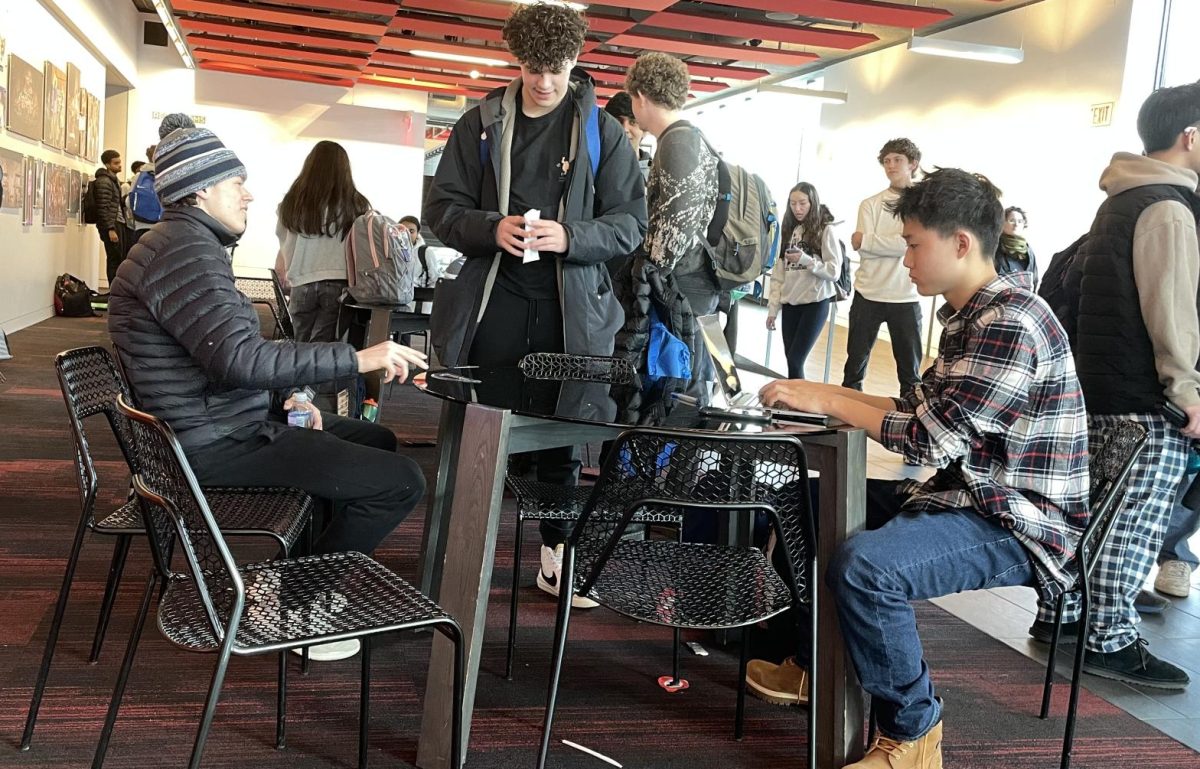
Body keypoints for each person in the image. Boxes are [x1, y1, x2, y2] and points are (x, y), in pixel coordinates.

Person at [750, 168, 1089, 769]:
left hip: (1021, 523)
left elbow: (930, 438)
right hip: (970, 497)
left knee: (867, 568)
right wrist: (813, 389)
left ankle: (914, 735)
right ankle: (815, 667)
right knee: (801, 503)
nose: (904, 258)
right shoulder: (973, 316)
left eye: (913, 244)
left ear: (960, 243)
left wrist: (828, 400)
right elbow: (914, 409)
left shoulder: (1010, 321)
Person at [108, 126, 429, 662]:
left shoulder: (183, 245)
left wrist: (288, 400)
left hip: (214, 422)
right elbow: (239, 360)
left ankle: (300, 575)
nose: (248, 193)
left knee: (378, 440)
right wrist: (356, 357)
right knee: (399, 483)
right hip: (211, 443)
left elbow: (226, 358)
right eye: (237, 182)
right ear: (200, 189)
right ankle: (301, 603)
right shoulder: (184, 252)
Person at [423, 2, 646, 608]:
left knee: (562, 439)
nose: (545, 82)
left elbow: (630, 224)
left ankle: (557, 559)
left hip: (572, 310)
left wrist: (574, 237)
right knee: (479, 432)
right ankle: (460, 560)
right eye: (533, 68)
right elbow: (440, 210)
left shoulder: (603, 131)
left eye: (559, 68)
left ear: (576, 61)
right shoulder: (482, 123)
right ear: (517, 60)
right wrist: (490, 227)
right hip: (493, 302)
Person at [1029, 82, 1200, 690]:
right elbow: (1171, 310)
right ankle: (1110, 640)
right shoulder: (1169, 207)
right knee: (1132, 523)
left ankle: (1064, 617)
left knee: (1097, 513)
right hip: (1143, 398)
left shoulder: (1121, 198)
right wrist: (1186, 390)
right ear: (1191, 136)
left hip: (1103, 388)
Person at [626, 51, 721, 404]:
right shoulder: (687, 137)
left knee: (684, 386)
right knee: (688, 378)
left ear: (641, 98)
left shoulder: (678, 142)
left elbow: (675, 222)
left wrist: (647, 269)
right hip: (693, 282)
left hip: (684, 284)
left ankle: (682, 456)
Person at [843, 138, 925, 395]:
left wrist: (868, 240)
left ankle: (912, 426)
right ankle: (846, 421)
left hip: (906, 296)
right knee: (854, 367)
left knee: (910, 375)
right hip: (868, 294)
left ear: (913, 164)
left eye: (897, 160)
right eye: (887, 161)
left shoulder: (923, 206)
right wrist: (900, 243)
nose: (891, 165)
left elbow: (914, 243)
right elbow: (865, 247)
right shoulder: (870, 204)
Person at [276, 140, 370, 345]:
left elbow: (282, 239)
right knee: (323, 349)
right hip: (339, 283)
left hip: (301, 282)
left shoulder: (291, 203)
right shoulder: (356, 204)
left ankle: (299, 377)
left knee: (300, 344)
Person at [766, 182, 842, 379]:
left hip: (815, 304)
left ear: (812, 202)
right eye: (792, 204)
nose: (797, 209)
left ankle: (798, 407)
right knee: (790, 359)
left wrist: (806, 260)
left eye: (802, 203)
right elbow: (778, 274)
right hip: (791, 303)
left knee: (796, 360)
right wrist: (773, 309)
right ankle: (793, 406)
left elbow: (834, 272)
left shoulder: (825, 230)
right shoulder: (788, 230)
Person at [94, 149, 127, 283]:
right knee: (114, 259)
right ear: (107, 165)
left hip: (117, 222)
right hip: (113, 224)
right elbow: (103, 208)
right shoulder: (104, 182)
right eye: (116, 163)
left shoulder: (113, 180)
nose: (120, 165)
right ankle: (113, 290)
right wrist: (110, 229)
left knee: (118, 258)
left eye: (120, 162)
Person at [994, 205, 1038, 285]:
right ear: (1002, 224)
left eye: (1020, 221)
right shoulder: (994, 247)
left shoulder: (1028, 250)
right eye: (1012, 220)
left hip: (1024, 295)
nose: (1016, 224)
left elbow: (1034, 279)